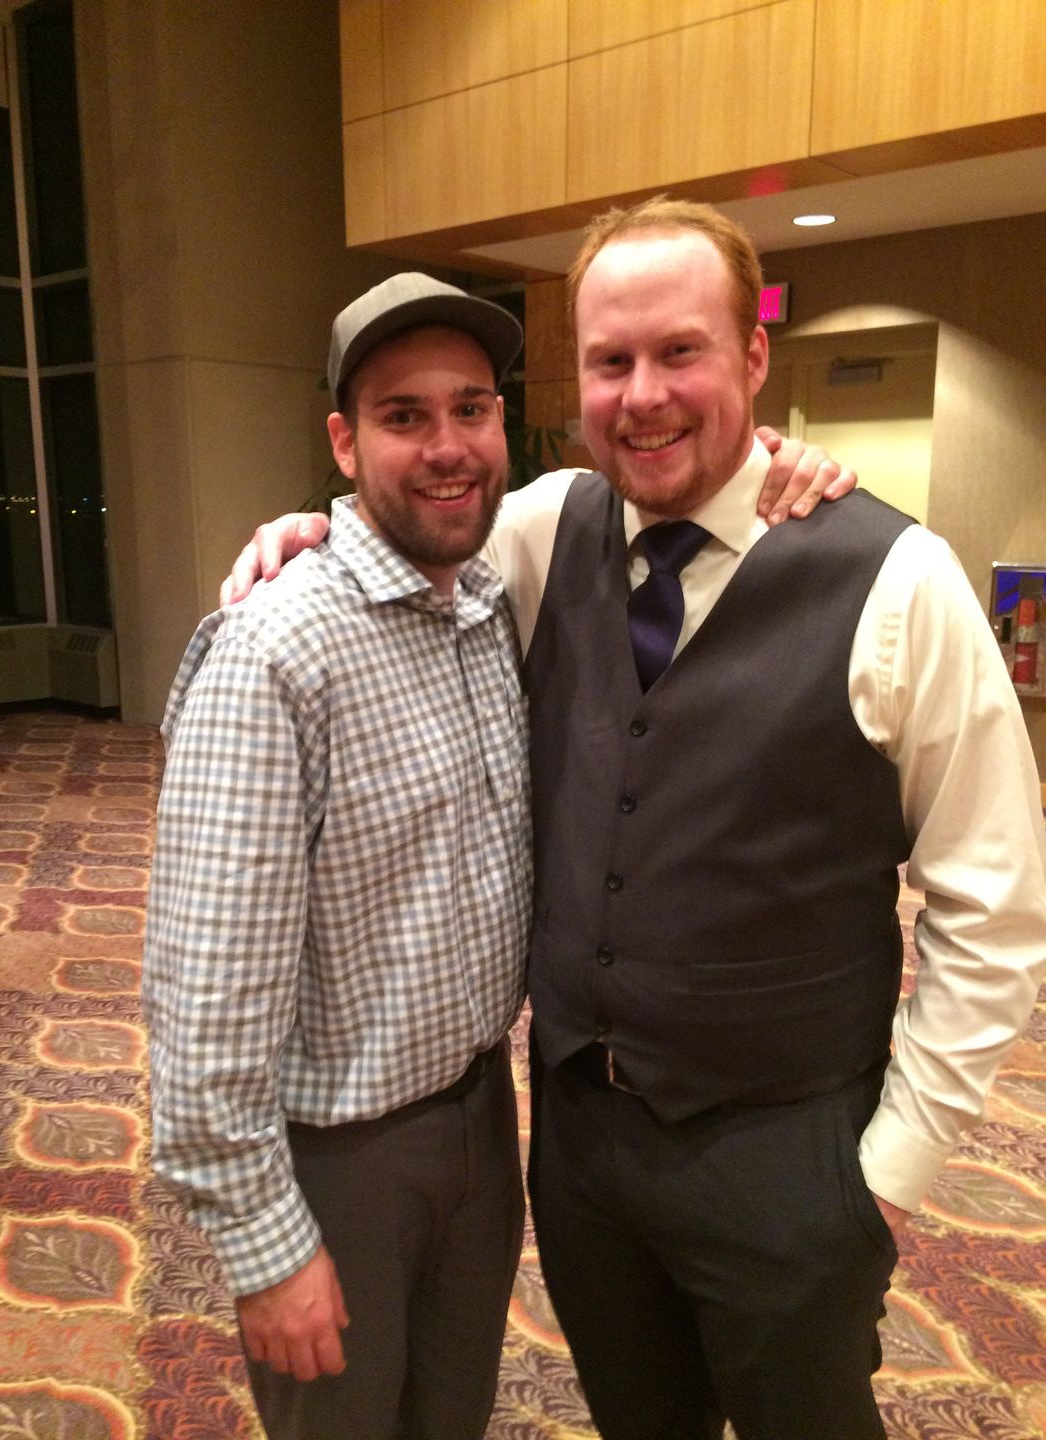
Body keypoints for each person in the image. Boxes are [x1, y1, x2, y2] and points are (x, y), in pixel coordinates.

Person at [227, 198, 1046, 1440]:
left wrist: (891, 1173)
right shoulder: (543, 529)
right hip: (581, 1152)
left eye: (681, 352)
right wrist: (302, 533)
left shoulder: (899, 580)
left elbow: (995, 905)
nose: (643, 395)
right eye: (611, 361)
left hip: (791, 1156)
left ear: (754, 356)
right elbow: (407, 531)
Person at [143, 273, 536, 1440]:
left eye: (471, 409)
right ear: (344, 442)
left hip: (482, 1114)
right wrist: (264, 1244)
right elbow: (206, 988)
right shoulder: (277, 648)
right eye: (404, 416)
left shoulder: (489, 607)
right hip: (338, 1157)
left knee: (450, 1418)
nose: (447, 447)